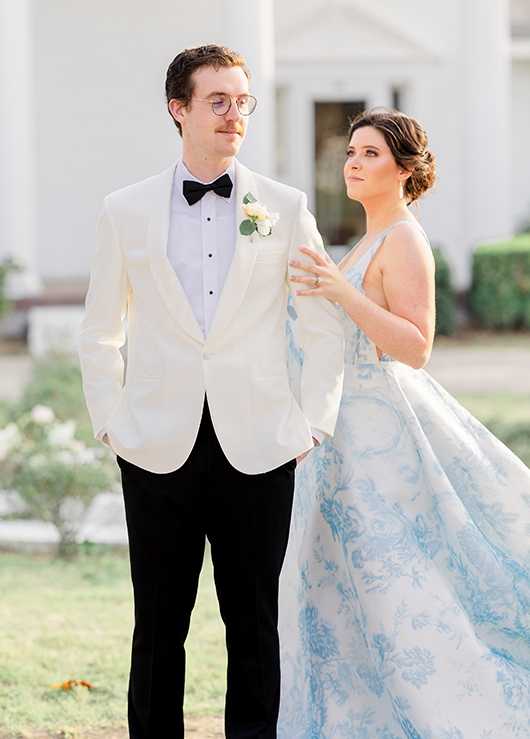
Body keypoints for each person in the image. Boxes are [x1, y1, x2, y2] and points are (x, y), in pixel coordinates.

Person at [78, 44, 344, 739]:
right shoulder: (125, 209)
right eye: (218, 101)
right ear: (179, 109)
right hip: (154, 444)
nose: (234, 115)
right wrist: (111, 420)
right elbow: (100, 328)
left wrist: (312, 422)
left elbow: (321, 324)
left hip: (260, 446)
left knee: (253, 626)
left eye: (243, 101)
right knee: (158, 627)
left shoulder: (283, 207)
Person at [278, 107, 530, 738]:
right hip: (341, 431)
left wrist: (342, 293)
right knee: (344, 580)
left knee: (400, 577)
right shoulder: (365, 239)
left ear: (405, 170)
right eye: (352, 152)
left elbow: (416, 347)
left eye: (370, 154)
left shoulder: (405, 239)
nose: (354, 164)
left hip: (382, 433)